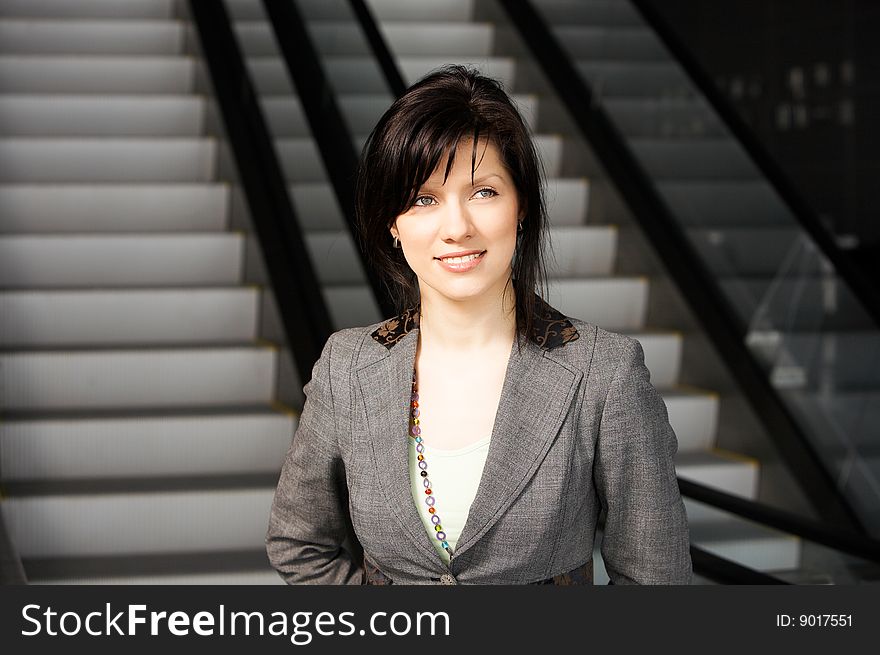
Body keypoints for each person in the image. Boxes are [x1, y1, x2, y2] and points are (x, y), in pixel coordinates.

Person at [266, 65, 692, 585]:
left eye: (483, 192)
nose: (457, 228)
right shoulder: (347, 367)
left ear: (523, 207)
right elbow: (299, 543)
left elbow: (656, 580)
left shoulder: (603, 374)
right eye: (424, 199)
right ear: (393, 225)